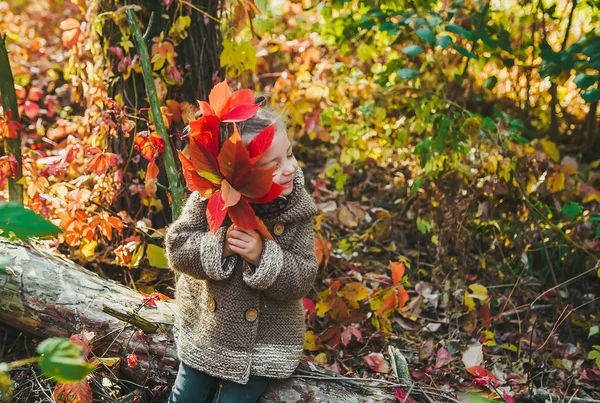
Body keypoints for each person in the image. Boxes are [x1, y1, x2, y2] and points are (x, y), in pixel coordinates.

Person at [165, 100, 318, 403]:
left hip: (264, 344)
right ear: (236, 173)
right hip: (207, 332)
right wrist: (217, 246)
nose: (288, 169)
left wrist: (265, 257)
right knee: (185, 397)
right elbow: (178, 246)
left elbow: (303, 275)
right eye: (273, 165)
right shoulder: (212, 198)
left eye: (289, 154)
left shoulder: (296, 211)